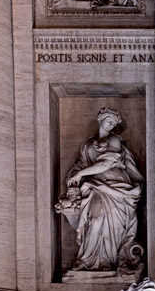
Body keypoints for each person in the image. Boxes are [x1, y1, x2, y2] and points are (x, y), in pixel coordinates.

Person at [56, 107, 143, 272]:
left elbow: (106, 163)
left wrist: (81, 174)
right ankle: (88, 260)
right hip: (95, 189)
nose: (111, 125)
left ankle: (108, 261)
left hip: (116, 188)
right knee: (95, 221)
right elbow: (80, 166)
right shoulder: (88, 145)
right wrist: (73, 177)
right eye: (109, 121)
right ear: (100, 119)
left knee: (111, 224)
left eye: (114, 123)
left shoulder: (115, 140)